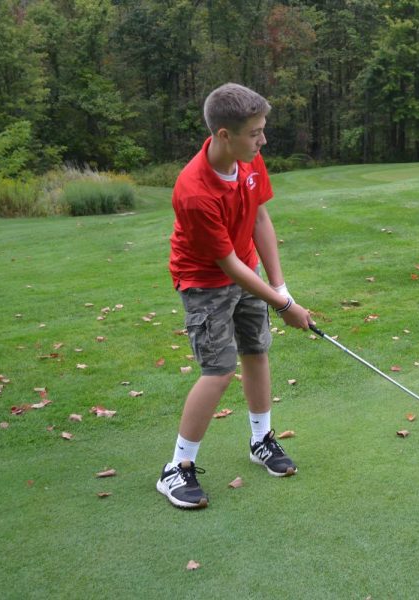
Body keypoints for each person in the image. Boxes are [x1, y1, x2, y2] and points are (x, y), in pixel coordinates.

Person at [157, 82, 312, 509]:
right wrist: (284, 307)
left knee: (256, 351)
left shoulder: (250, 160)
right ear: (224, 134)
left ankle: (261, 440)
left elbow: (260, 218)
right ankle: (177, 469)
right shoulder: (194, 191)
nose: (263, 140)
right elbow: (227, 267)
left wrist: (280, 289)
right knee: (219, 370)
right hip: (205, 281)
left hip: (247, 267)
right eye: (255, 132)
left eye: (263, 130)